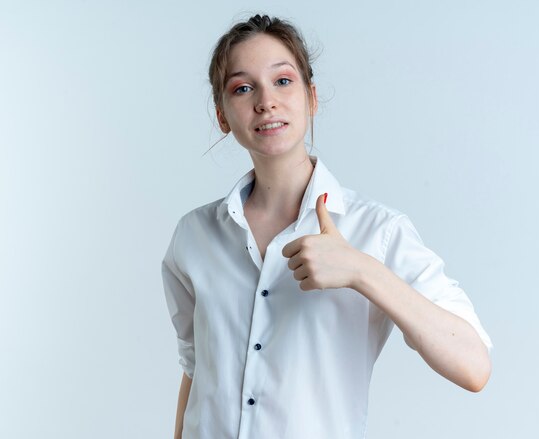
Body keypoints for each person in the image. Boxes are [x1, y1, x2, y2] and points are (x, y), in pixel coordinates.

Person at [162, 14, 493, 439]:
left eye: (283, 81)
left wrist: (361, 271)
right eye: (243, 88)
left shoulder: (377, 230)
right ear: (223, 116)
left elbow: (474, 367)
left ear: (311, 97)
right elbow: (195, 372)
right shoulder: (194, 236)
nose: (266, 101)